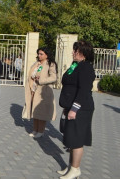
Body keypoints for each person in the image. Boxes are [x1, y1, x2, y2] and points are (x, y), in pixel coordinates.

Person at [57, 40, 95, 179]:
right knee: (71, 138)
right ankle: (70, 167)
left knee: (77, 139)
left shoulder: (86, 68)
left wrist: (74, 109)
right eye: (74, 50)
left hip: (81, 109)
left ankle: (76, 169)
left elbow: (84, 91)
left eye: (76, 51)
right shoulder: (75, 65)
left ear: (84, 54)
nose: (73, 53)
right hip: (71, 107)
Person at [22, 47, 57, 138]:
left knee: (41, 112)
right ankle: (35, 130)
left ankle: (41, 131)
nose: (39, 55)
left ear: (47, 55)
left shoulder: (50, 64)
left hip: (43, 92)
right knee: (34, 111)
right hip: (33, 89)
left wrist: (41, 80)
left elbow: (54, 78)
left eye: (41, 54)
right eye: (38, 54)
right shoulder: (37, 63)